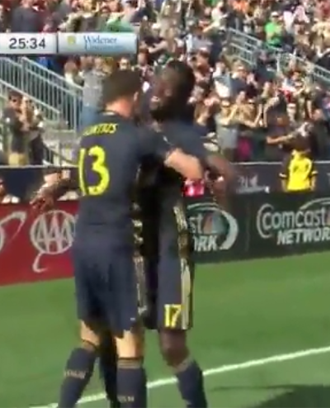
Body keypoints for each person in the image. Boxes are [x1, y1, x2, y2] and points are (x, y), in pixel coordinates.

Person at [34, 69, 204, 408]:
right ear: (135, 97)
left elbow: (85, 176)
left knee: (90, 337)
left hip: (83, 242)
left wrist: (58, 186)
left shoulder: (88, 134)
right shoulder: (138, 136)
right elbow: (195, 171)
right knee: (130, 346)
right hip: (117, 244)